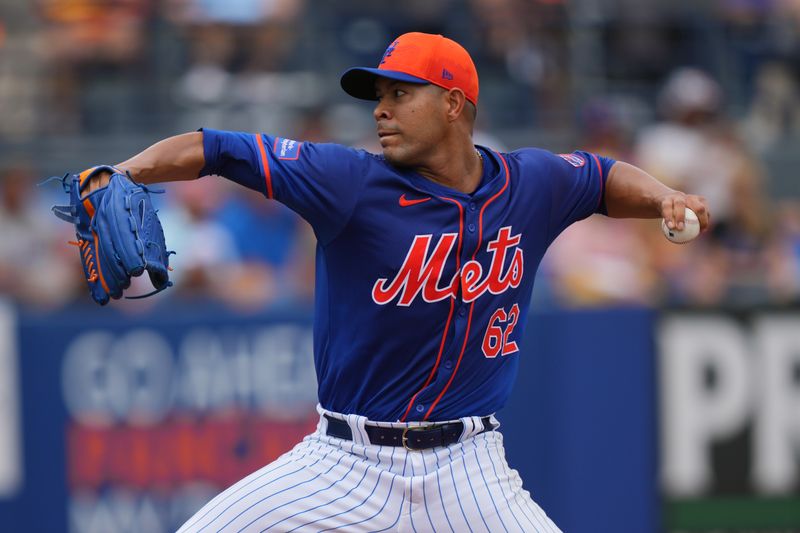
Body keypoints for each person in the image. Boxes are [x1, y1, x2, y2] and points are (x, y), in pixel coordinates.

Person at [81, 32, 710, 532]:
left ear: (453, 103)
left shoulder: (532, 184)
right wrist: (123, 171)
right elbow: (214, 147)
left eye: (401, 93)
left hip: (470, 469)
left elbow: (601, 178)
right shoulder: (349, 182)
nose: (381, 109)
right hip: (342, 463)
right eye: (378, 94)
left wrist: (663, 196)